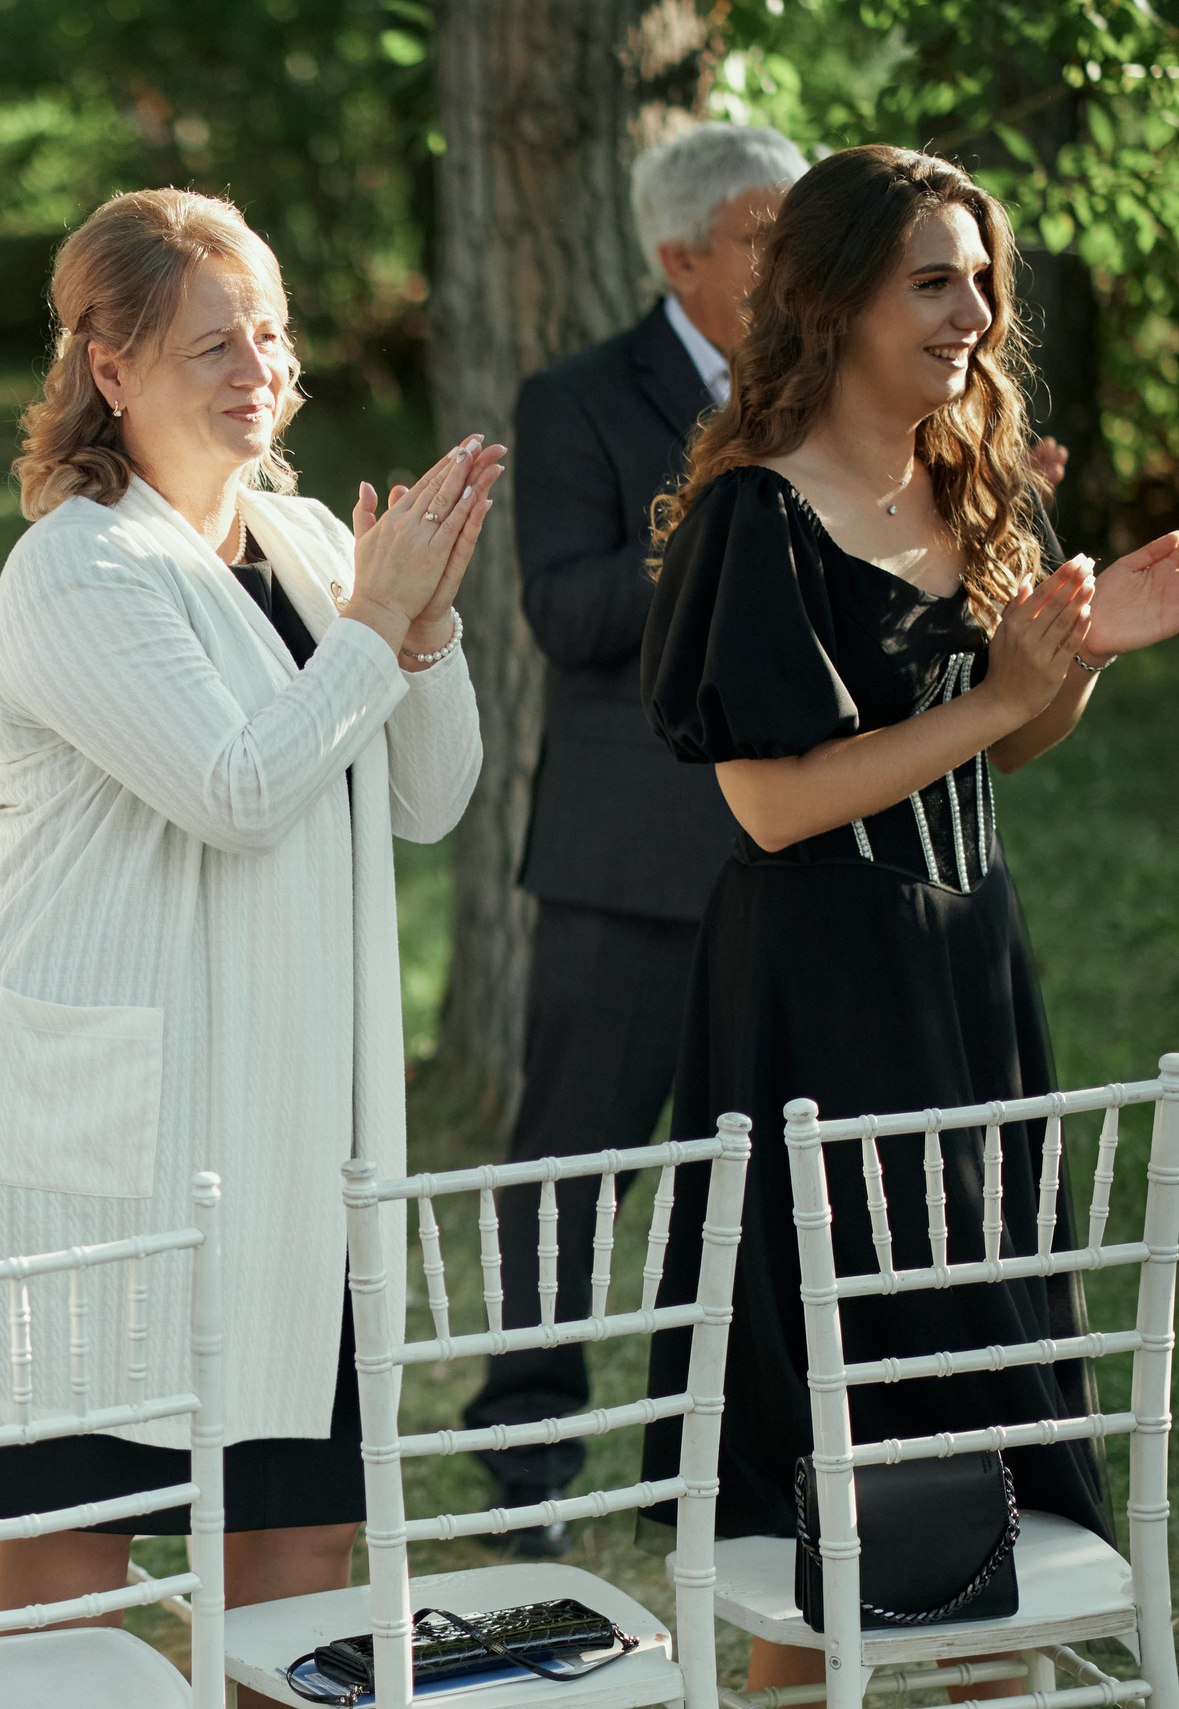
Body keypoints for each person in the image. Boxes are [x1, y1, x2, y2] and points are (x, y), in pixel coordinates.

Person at [0, 189, 495, 1617]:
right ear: (109, 369)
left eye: (275, 335)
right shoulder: (80, 566)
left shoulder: (301, 545)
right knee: (76, 1535)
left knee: (299, 1538)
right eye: (214, 343)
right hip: (114, 1126)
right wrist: (369, 627)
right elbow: (238, 790)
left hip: (286, 1119)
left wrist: (421, 624)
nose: (261, 371)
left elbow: (433, 799)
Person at [636, 144, 1179, 1696]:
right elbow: (770, 801)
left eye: (979, 277)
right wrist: (1008, 688)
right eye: (934, 278)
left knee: (977, 1352)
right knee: (831, 1399)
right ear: (838, 296)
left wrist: (1083, 658)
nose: (973, 310)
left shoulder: (967, 476)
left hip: (966, 961)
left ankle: (990, 1663)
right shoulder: (758, 510)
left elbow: (1005, 740)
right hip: (819, 981)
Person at [459, 121, 804, 1553]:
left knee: (752, 1164)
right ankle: (527, 1451)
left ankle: (705, 1447)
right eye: (769, 237)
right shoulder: (579, 397)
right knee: (573, 1163)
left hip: (794, 843)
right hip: (623, 853)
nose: (798, 263)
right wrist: (720, 503)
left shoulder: (835, 386)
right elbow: (572, 614)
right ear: (686, 257)